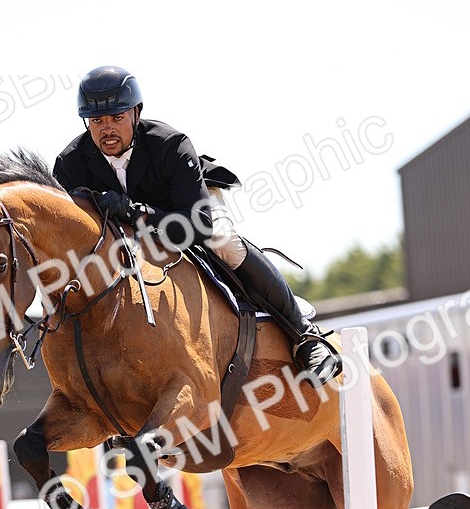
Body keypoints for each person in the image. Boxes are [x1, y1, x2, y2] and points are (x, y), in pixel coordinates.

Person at [54, 66, 339, 383]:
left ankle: (305, 335)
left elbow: (197, 226)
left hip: (190, 210)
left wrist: (135, 213)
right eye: (96, 121)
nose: (107, 129)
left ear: (136, 113)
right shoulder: (69, 165)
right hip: (126, 230)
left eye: (116, 118)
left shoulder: (170, 144)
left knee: (223, 241)